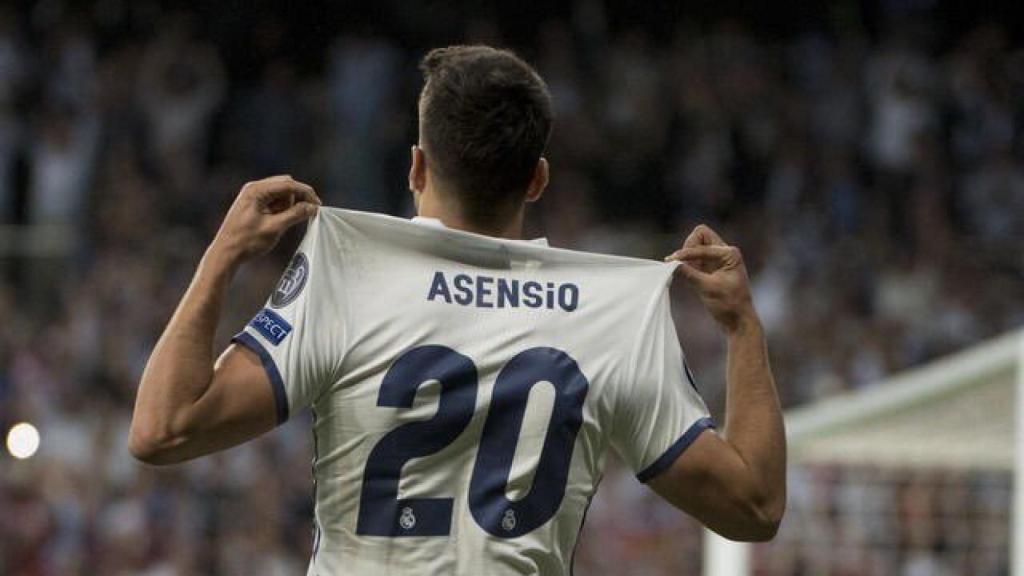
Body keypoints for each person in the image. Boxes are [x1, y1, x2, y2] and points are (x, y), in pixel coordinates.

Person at [129, 45, 786, 575]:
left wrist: (221, 256)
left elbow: (162, 429)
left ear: (416, 167)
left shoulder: (352, 276)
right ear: (537, 179)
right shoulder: (612, 312)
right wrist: (741, 327)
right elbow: (753, 508)